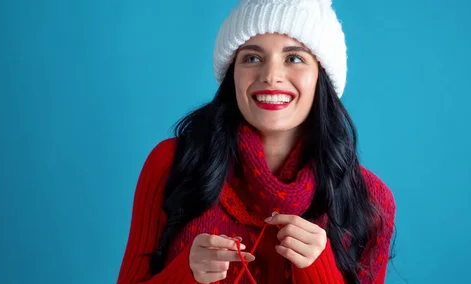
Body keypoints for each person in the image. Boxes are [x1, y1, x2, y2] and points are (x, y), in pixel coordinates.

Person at [116, 0, 396, 283]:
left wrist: (319, 270)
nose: (271, 76)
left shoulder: (372, 200)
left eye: (294, 58)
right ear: (232, 74)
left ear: (321, 76)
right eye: (252, 58)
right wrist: (184, 273)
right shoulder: (171, 163)